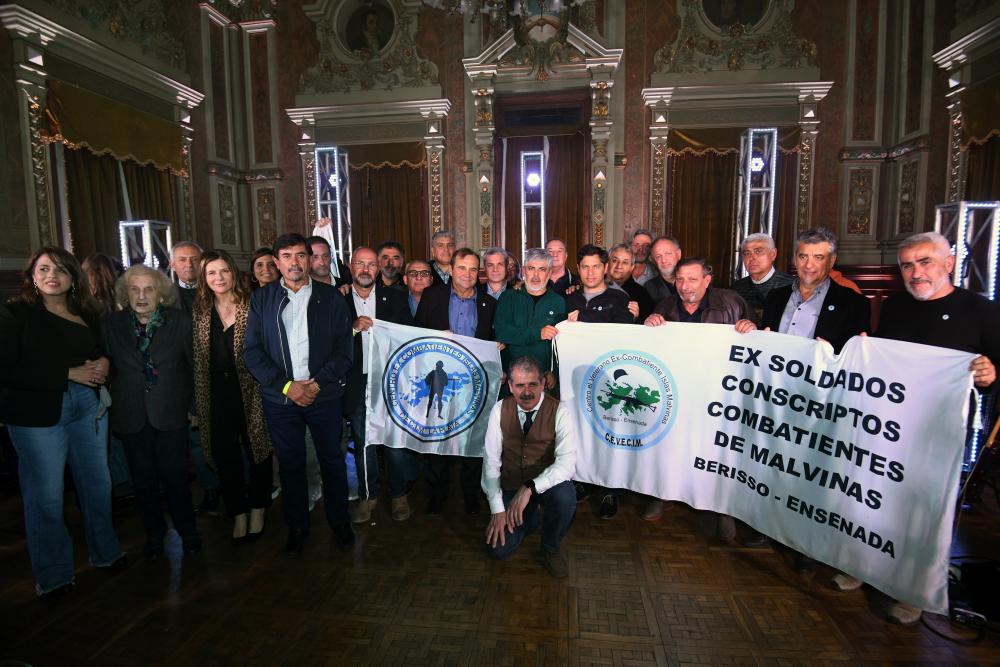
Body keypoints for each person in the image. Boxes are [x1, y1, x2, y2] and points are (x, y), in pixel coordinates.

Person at [833, 231, 1000, 625]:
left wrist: (992, 374)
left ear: (948, 263)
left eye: (925, 262)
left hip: (939, 435)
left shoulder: (981, 310)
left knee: (922, 511)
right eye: (907, 265)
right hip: (888, 426)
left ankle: (913, 589)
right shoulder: (895, 308)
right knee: (872, 497)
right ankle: (862, 564)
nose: (916, 272)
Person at [0, 247, 124, 596]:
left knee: (98, 485)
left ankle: (106, 552)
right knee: (47, 497)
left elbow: (101, 350)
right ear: (32, 276)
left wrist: (105, 363)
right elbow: (6, 368)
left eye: (61, 269)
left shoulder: (87, 311)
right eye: (43, 269)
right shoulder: (16, 313)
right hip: (37, 413)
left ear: (73, 277)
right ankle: (54, 575)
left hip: (87, 406)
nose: (52, 275)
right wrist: (67, 373)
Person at [759, 227, 870, 570]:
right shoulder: (776, 298)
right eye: (804, 256)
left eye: (818, 257)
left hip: (821, 401)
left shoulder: (853, 303)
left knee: (811, 472)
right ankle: (770, 525)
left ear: (831, 261)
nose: (809, 265)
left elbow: (858, 356)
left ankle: (807, 542)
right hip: (776, 396)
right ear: (794, 259)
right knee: (774, 461)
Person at [244, 233, 355, 554]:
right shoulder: (262, 300)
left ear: (310, 259)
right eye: (287, 256)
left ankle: (339, 521)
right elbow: (252, 352)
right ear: (277, 263)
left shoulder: (331, 298)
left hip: (325, 395)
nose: (295, 262)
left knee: (332, 460)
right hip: (281, 399)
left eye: (301, 255)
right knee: (291, 464)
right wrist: (288, 387)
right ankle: (296, 524)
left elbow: (344, 351)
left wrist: (316, 384)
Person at [644, 257, 756, 523]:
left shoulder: (731, 303)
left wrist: (750, 329)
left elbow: (756, 341)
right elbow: (649, 348)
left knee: (715, 448)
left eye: (692, 279)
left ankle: (721, 509)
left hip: (716, 390)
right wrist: (649, 323)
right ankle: (663, 494)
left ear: (707, 280)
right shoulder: (665, 305)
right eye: (680, 279)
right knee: (669, 444)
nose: (685, 286)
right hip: (677, 388)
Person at [104, 264, 201, 559]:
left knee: (175, 478)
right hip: (131, 414)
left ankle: (188, 533)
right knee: (142, 481)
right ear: (125, 293)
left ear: (160, 294)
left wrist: (195, 408)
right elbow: (106, 365)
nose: (141, 296)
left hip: (170, 412)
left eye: (149, 289)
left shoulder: (181, 322)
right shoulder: (111, 324)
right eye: (135, 289)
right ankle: (154, 536)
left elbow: (195, 366)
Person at [192, 250, 273, 544]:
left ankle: (258, 507)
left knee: (258, 451)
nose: (218, 278)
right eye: (211, 273)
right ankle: (237, 511)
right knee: (225, 455)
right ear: (204, 278)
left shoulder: (253, 306)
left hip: (252, 390)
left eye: (223, 271)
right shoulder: (200, 311)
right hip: (215, 392)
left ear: (234, 273)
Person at [415, 247, 498, 515]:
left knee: (473, 439)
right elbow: (415, 334)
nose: (467, 274)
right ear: (451, 270)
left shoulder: (490, 304)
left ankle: (471, 495)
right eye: (462, 268)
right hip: (440, 381)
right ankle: (437, 494)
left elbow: (495, 340)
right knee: (437, 437)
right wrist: (434, 337)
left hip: (473, 383)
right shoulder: (432, 296)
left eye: (474, 269)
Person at [482, 356, 578, 578]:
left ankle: (551, 546)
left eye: (533, 384)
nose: (527, 392)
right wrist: (497, 509)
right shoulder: (499, 409)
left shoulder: (560, 411)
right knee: (498, 550)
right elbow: (491, 461)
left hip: (544, 486)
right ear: (510, 386)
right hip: (510, 484)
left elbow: (567, 463)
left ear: (543, 383)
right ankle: (530, 517)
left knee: (566, 495)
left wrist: (529, 488)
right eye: (520, 385)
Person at [341, 247, 416, 523]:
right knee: (363, 443)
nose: (365, 269)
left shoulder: (395, 298)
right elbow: (330, 340)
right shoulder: (338, 300)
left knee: (395, 443)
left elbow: (408, 337)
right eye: (360, 263)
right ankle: (368, 496)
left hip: (390, 381)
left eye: (371, 264)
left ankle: (398, 495)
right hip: (356, 383)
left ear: (378, 269)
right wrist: (352, 328)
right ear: (351, 267)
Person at [562, 245, 633, 518]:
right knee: (579, 431)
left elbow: (624, 327)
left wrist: (586, 318)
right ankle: (583, 481)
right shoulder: (569, 298)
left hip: (610, 378)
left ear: (605, 268)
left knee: (608, 434)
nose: (590, 272)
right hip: (576, 377)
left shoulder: (619, 297)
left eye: (595, 266)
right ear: (577, 270)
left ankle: (610, 490)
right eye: (584, 267)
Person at [169, 240, 221, 515]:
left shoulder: (217, 290)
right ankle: (210, 489)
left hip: (222, 375)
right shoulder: (165, 297)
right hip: (185, 381)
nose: (188, 265)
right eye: (182, 260)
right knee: (197, 442)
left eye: (193, 259)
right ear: (172, 264)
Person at [494, 248, 566, 389]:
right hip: (512, 380)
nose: (536, 275)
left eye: (542, 269)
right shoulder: (508, 297)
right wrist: (538, 333)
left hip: (544, 380)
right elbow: (503, 333)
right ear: (523, 270)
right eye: (531, 268)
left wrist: (555, 373)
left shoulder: (559, 302)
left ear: (550, 272)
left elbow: (562, 345)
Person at [729, 233, 793, 324]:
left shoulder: (791, 285)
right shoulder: (737, 288)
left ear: (773, 254)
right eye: (747, 253)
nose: (752, 258)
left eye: (758, 252)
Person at [608, 243, 655, 323]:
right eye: (615, 260)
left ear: (632, 267)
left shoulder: (642, 294)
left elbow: (647, 329)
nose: (619, 266)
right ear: (608, 263)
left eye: (625, 262)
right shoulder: (595, 287)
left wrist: (636, 318)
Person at [645, 236, 681, 304]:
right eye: (658, 256)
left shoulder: (695, 282)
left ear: (678, 254)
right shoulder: (648, 288)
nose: (664, 260)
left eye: (668, 254)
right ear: (653, 261)